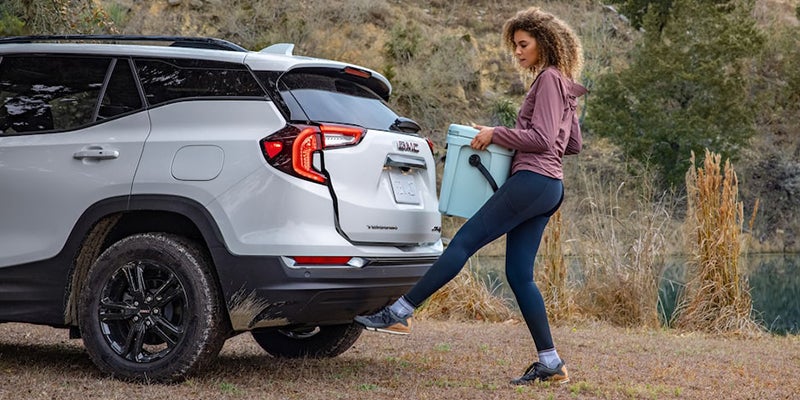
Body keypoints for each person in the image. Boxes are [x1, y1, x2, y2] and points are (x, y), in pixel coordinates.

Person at [355, 6, 587, 386]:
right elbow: (571, 144)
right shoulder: (564, 83)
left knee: (463, 242)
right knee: (519, 275)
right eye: (515, 46)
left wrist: (497, 133)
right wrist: (546, 123)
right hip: (551, 188)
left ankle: (399, 311)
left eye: (523, 44)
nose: (517, 52)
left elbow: (544, 140)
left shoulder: (548, 79)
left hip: (532, 180)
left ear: (543, 43)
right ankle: (551, 362)